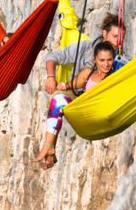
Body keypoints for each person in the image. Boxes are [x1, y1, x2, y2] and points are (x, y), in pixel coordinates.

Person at [34, 41, 121, 170]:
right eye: (102, 60)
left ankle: (49, 146)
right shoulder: (88, 73)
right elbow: (70, 86)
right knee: (57, 99)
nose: (106, 64)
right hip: (83, 114)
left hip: (100, 116)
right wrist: (63, 85)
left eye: (109, 60)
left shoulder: (115, 77)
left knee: (58, 102)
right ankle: (50, 146)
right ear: (94, 60)